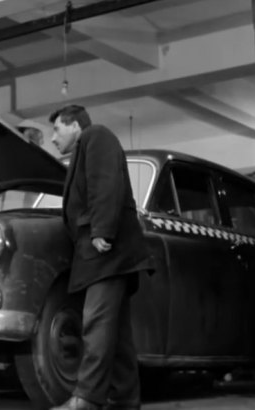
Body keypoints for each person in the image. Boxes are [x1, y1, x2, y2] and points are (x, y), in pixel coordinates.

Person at [48, 105, 155, 410]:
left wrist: (102, 230)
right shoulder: (84, 148)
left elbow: (106, 183)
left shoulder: (96, 136)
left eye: (57, 129)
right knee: (116, 334)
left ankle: (87, 398)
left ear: (75, 126)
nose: (52, 139)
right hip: (103, 254)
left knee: (94, 323)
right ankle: (124, 399)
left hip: (106, 251)